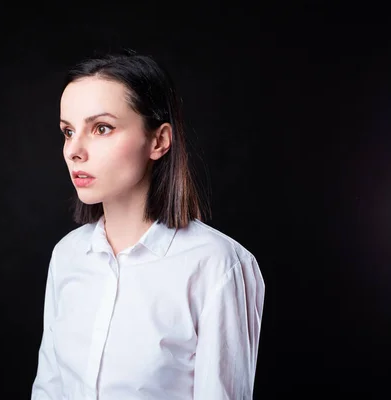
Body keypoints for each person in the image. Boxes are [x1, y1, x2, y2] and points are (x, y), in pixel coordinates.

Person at [31, 50, 265, 400]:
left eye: (101, 128)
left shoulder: (217, 266)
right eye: (68, 131)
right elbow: (48, 389)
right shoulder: (67, 256)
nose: (74, 151)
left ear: (158, 140)